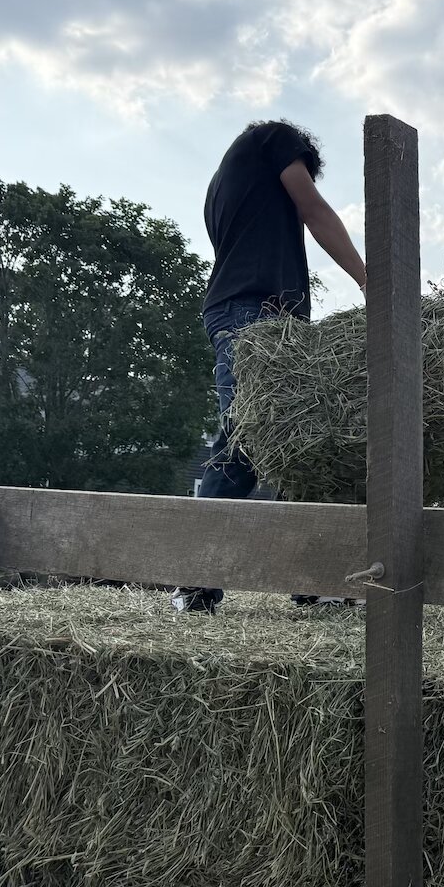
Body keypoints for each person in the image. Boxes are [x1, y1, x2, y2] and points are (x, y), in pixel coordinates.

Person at [174, 120, 368, 615]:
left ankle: (309, 579)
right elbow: (315, 210)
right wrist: (371, 280)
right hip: (252, 313)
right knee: (247, 439)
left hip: (260, 313)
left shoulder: (226, 184)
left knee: (296, 442)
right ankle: (194, 584)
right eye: (303, 168)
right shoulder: (273, 139)